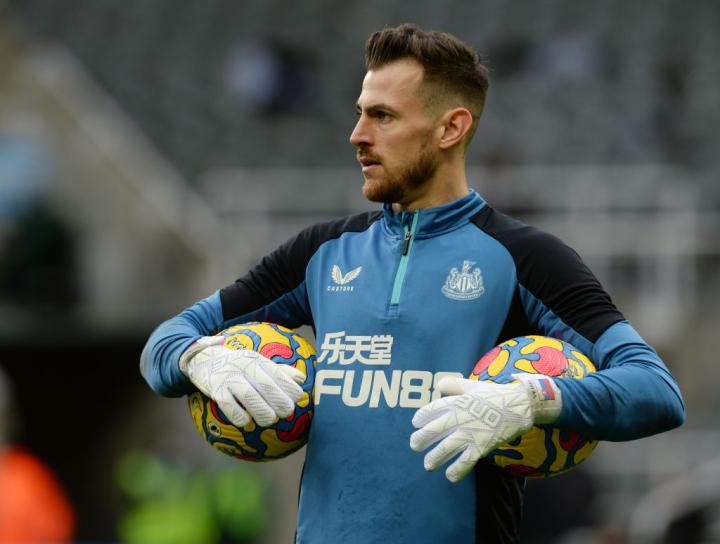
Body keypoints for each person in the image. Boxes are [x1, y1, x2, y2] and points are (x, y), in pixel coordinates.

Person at [140, 24, 685, 543]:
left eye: (382, 116)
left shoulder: (524, 258)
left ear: (451, 128)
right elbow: (164, 343)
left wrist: (534, 399)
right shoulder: (321, 252)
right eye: (359, 113)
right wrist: (199, 359)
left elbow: (656, 390)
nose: (357, 135)